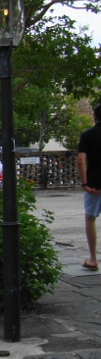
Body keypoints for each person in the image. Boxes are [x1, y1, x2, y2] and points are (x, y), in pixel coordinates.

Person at [77, 103, 101, 270]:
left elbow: (81, 160)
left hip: (94, 184)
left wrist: (84, 182)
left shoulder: (87, 135)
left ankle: (93, 259)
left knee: (90, 218)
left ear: (94, 117)